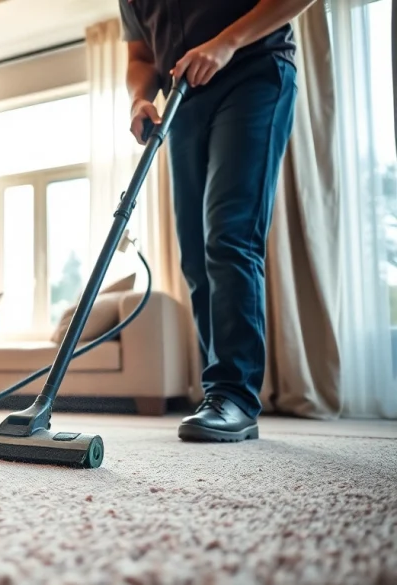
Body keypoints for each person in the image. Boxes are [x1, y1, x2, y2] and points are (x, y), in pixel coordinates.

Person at [119, 0, 314, 441]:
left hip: (253, 72)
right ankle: (218, 392)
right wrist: (138, 98)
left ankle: (235, 394)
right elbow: (141, 57)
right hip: (183, 101)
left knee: (229, 235)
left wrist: (227, 42)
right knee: (194, 251)